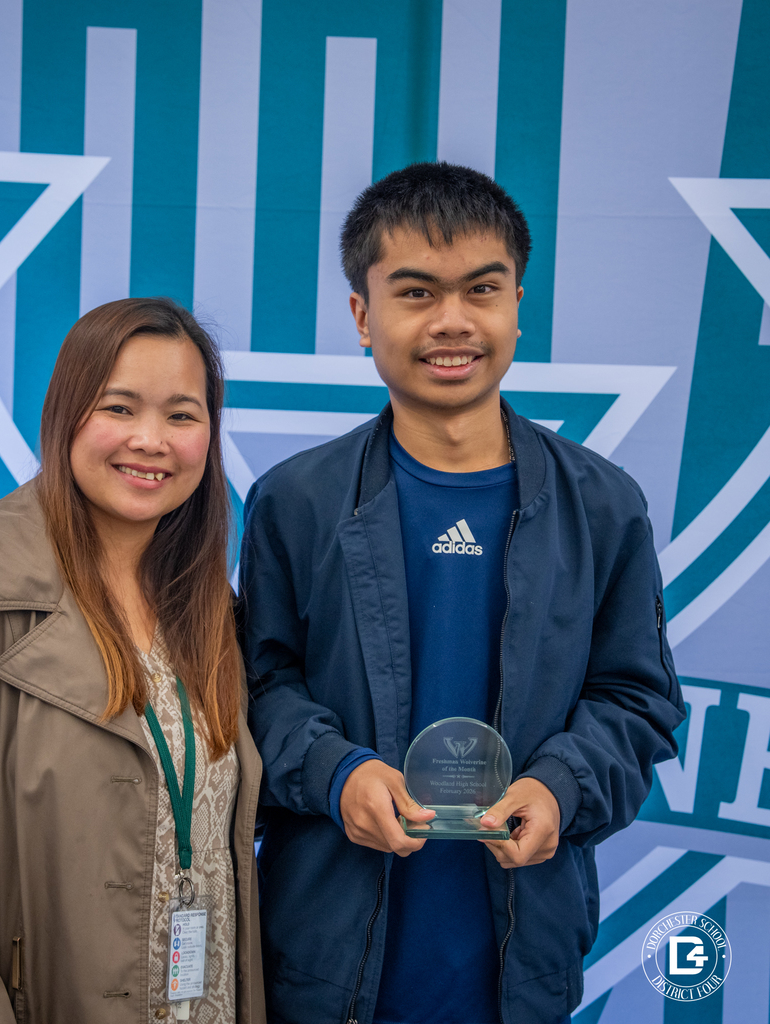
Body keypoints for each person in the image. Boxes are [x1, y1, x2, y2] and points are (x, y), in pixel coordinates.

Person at [238, 163, 684, 1024]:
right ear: (363, 317)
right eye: (415, 292)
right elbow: (257, 688)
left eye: (482, 289)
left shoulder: (602, 504)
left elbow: (638, 699)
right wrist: (338, 774)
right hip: (322, 967)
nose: (452, 322)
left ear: (519, 303)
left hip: (523, 966)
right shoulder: (296, 503)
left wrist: (561, 785)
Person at [0, 298, 265, 1024]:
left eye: (181, 415)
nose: (150, 439)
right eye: (119, 407)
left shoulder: (213, 616)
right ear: (65, 415)